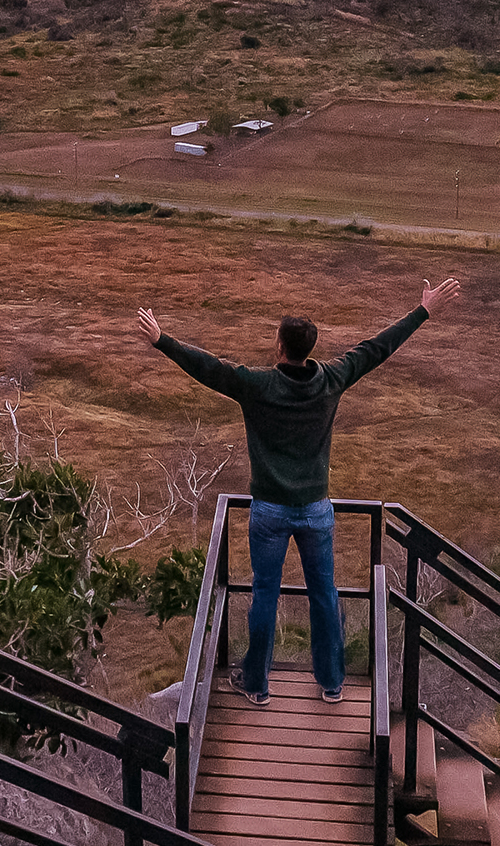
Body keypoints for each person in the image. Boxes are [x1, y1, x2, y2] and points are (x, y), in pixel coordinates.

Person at [136, 277, 461, 704]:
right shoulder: (332, 378)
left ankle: (256, 685)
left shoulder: (257, 385)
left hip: (269, 511)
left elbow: (210, 368)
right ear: (310, 347)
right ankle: (331, 683)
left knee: (264, 596)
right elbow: (378, 347)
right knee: (324, 595)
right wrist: (423, 310)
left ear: (279, 347)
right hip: (315, 511)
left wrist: (163, 340)